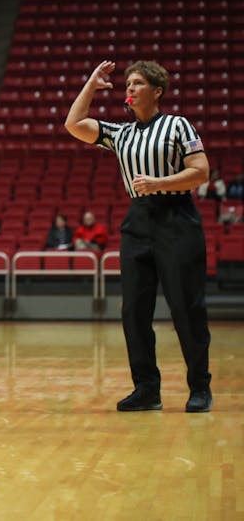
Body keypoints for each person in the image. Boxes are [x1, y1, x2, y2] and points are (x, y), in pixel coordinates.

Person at [65, 59, 213, 413]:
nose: (129, 89)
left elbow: (201, 172)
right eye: (127, 83)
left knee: (185, 307)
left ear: (157, 91)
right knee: (133, 310)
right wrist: (91, 84)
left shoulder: (178, 125)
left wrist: (158, 183)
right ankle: (147, 389)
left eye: (137, 84)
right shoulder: (122, 134)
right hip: (138, 222)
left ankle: (199, 387)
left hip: (177, 218)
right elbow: (73, 124)